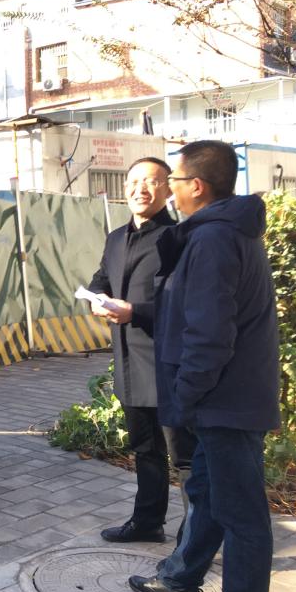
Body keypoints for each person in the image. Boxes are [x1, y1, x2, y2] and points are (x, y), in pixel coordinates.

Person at [128, 141, 280, 592]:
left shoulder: (214, 239)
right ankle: (180, 578)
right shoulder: (219, 232)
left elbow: (210, 334)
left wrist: (187, 393)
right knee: (208, 494)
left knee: (242, 514)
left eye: (173, 180)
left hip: (225, 402)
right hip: (224, 398)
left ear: (196, 186)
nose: (168, 189)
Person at [87, 157, 197, 544]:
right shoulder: (116, 238)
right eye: (134, 181)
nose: (140, 189)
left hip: (167, 363)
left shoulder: (179, 238)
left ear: (168, 189)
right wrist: (97, 298)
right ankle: (148, 522)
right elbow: (101, 278)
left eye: (151, 181)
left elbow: (186, 302)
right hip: (129, 361)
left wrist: (135, 311)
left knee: (184, 457)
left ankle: (194, 540)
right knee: (145, 449)